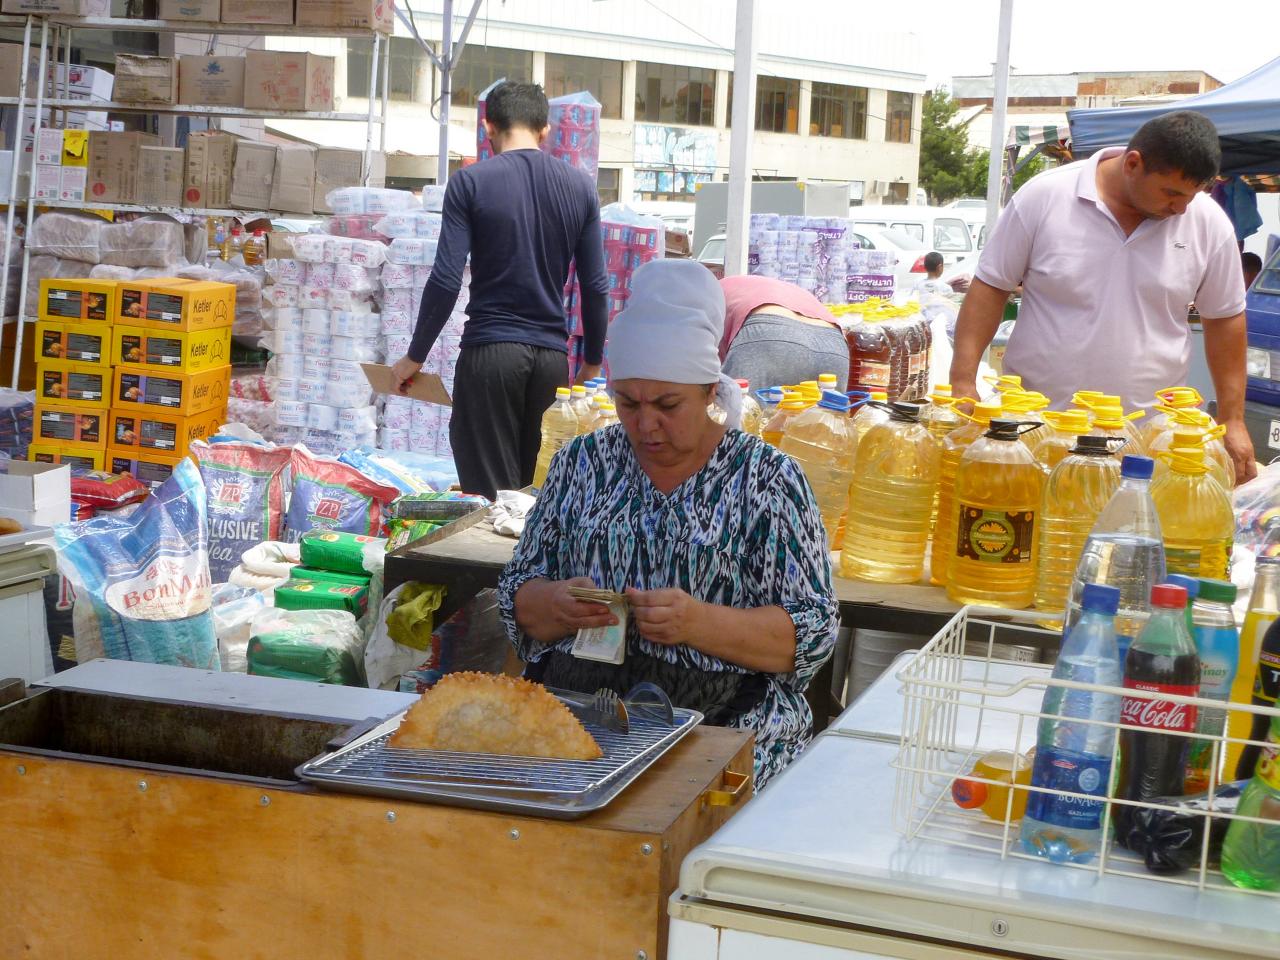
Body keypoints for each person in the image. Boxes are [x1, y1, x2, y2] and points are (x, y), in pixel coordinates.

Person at [497, 259, 839, 786]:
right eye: (628, 402)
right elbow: (518, 598)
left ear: (709, 392)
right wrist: (557, 605)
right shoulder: (583, 462)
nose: (645, 423)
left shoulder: (768, 480)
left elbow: (813, 634)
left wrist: (697, 623)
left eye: (667, 404)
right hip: (578, 718)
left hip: (727, 727)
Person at [949, 111, 1256, 483]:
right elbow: (991, 287)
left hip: (1147, 442)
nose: (1181, 208)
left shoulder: (1208, 223)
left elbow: (1224, 319)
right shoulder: (1045, 197)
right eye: (1172, 192)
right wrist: (963, 380)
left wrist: (1233, 419)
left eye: (1192, 195)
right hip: (1037, 432)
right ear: (1132, 163)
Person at [389, 81, 609, 500]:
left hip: (490, 356)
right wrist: (593, 364)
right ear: (545, 131)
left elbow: (446, 279)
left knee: (493, 503)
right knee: (536, 496)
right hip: (551, 362)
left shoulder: (470, 183)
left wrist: (414, 356)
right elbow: (595, 286)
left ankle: (494, 569)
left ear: (488, 128)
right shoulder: (581, 188)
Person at [719, 274, 849, 391]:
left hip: (770, 333)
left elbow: (703, 368)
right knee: (828, 417)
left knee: (744, 414)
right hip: (833, 343)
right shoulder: (739, 286)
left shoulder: (708, 293)